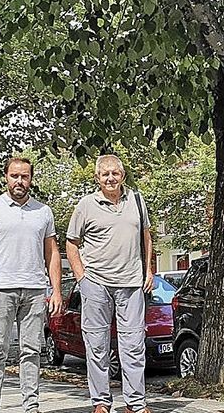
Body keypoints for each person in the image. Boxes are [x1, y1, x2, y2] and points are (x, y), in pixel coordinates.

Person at [0, 157, 63, 413]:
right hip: (0, 289)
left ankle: (31, 408)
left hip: (34, 290)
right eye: (14, 176)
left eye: (24, 176)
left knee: (32, 351)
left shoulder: (43, 212)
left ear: (31, 179)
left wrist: (56, 291)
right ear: (6, 177)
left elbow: (52, 253)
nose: (19, 181)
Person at [67, 154, 154, 413]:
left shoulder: (137, 200)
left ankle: (135, 404)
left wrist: (148, 270)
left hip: (131, 283)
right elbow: (72, 243)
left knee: (133, 345)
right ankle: (101, 402)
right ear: (97, 178)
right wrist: (81, 278)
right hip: (96, 283)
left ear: (123, 175)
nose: (110, 178)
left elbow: (146, 236)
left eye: (115, 173)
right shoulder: (86, 205)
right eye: (105, 174)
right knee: (97, 345)